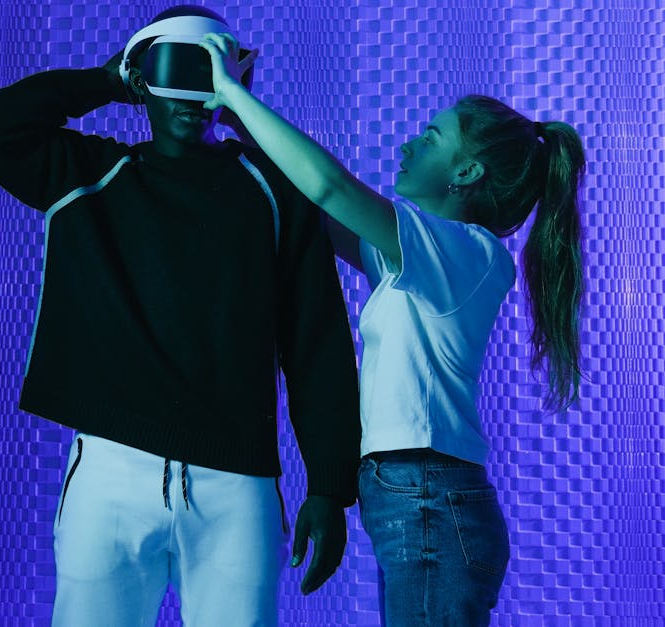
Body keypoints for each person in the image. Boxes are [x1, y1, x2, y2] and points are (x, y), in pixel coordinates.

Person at [0, 6, 361, 626]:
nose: (193, 95)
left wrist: (330, 487)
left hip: (237, 484)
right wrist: (106, 79)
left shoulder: (278, 194)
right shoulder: (89, 175)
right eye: (177, 68)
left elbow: (318, 345)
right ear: (145, 78)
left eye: (211, 71)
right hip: (109, 472)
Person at [199, 32, 585, 626]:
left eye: (430, 137)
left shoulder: (468, 253)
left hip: (431, 500)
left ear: (467, 170)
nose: (407, 145)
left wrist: (230, 92)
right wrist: (237, 117)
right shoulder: (428, 259)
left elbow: (330, 186)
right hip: (419, 498)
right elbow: (317, 204)